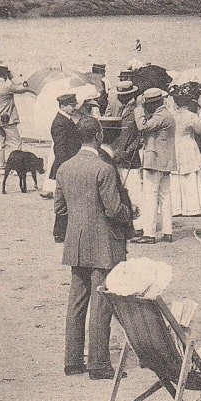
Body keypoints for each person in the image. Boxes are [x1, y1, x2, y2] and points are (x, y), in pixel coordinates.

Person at [54, 118, 133, 380]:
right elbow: (113, 209)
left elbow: (60, 209)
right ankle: (99, 364)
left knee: (76, 303)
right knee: (101, 304)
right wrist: (130, 212)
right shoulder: (103, 169)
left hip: (76, 244)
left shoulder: (64, 168)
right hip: (103, 245)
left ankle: (72, 361)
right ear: (98, 136)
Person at [133, 88, 176, 244]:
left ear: (155, 103)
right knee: (165, 197)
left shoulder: (160, 116)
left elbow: (142, 126)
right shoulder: (168, 115)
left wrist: (138, 108)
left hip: (154, 161)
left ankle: (149, 234)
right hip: (166, 162)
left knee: (150, 197)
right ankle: (167, 231)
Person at [111, 81, 144, 236]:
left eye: (122, 95)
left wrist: (127, 152)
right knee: (122, 192)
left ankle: (139, 225)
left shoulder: (137, 111)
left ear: (130, 96)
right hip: (119, 158)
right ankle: (126, 224)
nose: (119, 97)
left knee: (135, 193)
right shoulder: (122, 109)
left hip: (131, 160)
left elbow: (140, 138)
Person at [169, 88, 201, 217]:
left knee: (174, 176)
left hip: (174, 145)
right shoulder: (191, 116)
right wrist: (200, 114)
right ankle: (192, 207)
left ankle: (175, 208)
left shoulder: (170, 114)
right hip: (187, 145)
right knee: (189, 174)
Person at [0, 66, 31, 167]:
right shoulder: (7, 86)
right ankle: (17, 164)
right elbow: (24, 89)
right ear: (5, 74)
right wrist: (14, 78)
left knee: (0, 143)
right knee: (15, 142)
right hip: (8, 118)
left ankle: (0, 163)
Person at [41, 94, 81, 200]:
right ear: (63, 106)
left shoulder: (66, 119)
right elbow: (60, 148)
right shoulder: (60, 122)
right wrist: (65, 165)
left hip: (70, 158)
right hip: (66, 159)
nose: (74, 108)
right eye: (71, 106)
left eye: (74, 105)